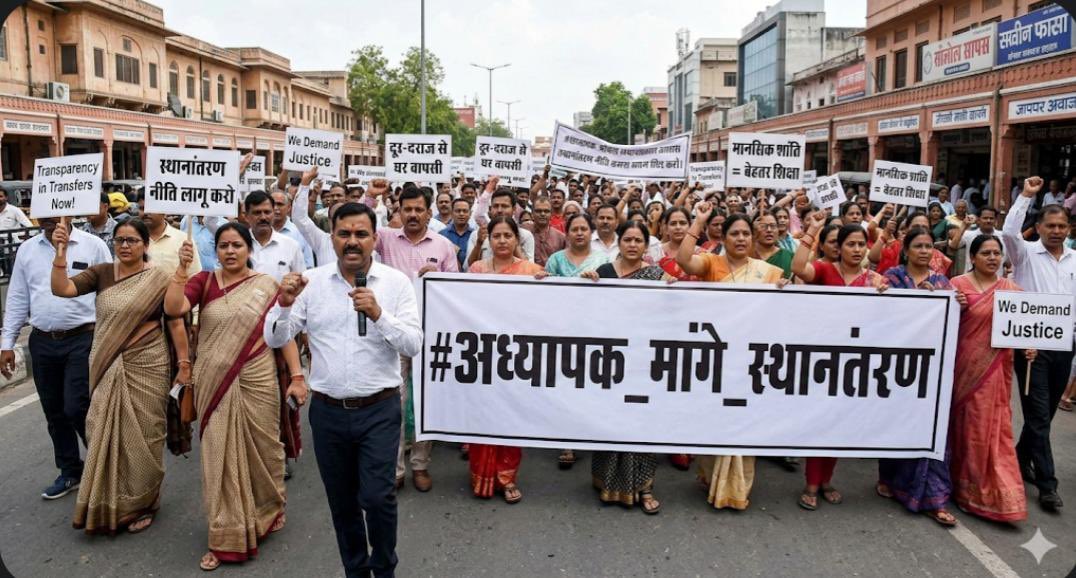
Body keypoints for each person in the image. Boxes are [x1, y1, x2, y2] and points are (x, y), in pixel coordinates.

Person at [265, 202, 420, 578]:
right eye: (344, 234)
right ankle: (356, 570)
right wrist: (283, 306)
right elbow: (274, 336)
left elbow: (414, 344)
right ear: (332, 237)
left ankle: (384, 568)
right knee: (343, 503)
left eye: (361, 234)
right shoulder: (311, 282)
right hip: (329, 411)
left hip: (379, 410)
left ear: (374, 239)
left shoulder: (396, 283)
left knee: (378, 498)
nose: (352, 242)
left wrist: (379, 315)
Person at [164, 222, 304, 571]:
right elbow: (173, 308)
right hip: (213, 380)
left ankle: (268, 510)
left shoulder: (265, 285)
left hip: (258, 378)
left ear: (248, 250)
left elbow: (282, 332)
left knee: (264, 447)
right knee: (218, 455)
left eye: (237, 245)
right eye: (223, 245)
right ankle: (224, 534)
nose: (230, 251)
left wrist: (298, 376)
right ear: (216, 249)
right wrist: (181, 269)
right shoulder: (204, 282)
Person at [50, 218, 188, 534]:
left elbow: (175, 316)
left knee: (144, 434)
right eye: (120, 240)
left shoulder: (159, 277)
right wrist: (60, 254)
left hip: (148, 365)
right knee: (100, 427)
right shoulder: (102, 274)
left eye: (132, 240)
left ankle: (144, 502)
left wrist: (184, 364)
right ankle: (107, 499)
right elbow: (63, 288)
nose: (125, 246)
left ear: (145, 244)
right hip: (107, 364)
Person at [676, 203, 785, 510]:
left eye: (745, 234)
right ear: (722, 237)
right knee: (715, 418)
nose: (740, 238)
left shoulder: (769, 273)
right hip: (716, 356)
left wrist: (784, 293)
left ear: (752, 238)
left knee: (743, 422)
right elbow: (683, 260)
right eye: (734, 233)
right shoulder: (711, 262)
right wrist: (698, 221)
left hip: (750, 359)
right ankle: (712, 476)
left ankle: (736, 486)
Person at [1, 217, 111, 499]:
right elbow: (17, 297)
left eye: (55, 211)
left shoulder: (93, 246)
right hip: (43, 341)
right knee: (54, 410)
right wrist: (7, 343)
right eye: (43, 211)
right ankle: (70, 471)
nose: (49, 217)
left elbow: (110, 294)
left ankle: (106, 464)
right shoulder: (26, 249)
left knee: (77, 406)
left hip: (83, 338)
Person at [792, 216, 888, 510]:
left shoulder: (873, 279)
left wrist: (886, 296)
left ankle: (827, 480)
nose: (858, 250)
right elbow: (797, 268)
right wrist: (811, 231)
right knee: (820, 420)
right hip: (822, 358)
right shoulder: (823, 269)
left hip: (853, 362)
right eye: (851, 244)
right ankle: (811, 482)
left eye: (862, 244)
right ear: (839, 248)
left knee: (838, 423)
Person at [575, 221, 665, 514]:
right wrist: (583, 282)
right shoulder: (603, 273)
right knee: (611, 420)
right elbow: (580, 308)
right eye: (627, 239)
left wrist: (676, 288)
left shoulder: (658, 275)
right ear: (620, 242)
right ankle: (608, 481)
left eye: (638, 240)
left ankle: (645, 487)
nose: (632, 245)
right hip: (611, 360)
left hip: (644, 361)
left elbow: (679, 304)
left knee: (642, 423)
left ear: (645, 245)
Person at [873, 225, 961, 526]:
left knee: (933, 429)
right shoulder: (892, 279)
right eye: (919, 246)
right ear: (906, 250)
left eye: (929, 247)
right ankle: (891, 480)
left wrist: (952, 304)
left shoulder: (942, 283)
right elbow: (880, 319)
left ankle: (935, 497)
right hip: (898, 368)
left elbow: (955, 322)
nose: (925, 251)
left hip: (932, 369)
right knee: (898, 423)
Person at [374, 185, 459, 493]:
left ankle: (420, 464)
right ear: (399, 211)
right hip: (393, 336)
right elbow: (361, 223)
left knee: (426, 402)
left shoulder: (444, 246)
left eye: (418, 209)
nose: (412, 214)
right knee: (393, 403)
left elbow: (457, 293)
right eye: (406, 209)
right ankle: (395, 468)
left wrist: (439, 279)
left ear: (429, 211)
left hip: (431, 336)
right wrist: (371, 197)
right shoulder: (384, 238)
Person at [1001, 176, 1075, 512]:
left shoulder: (1074, 261)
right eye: (1050, 225)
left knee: (1040, 416)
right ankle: (1047, 485)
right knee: (1040, 414)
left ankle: (1020, 457)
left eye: (1062, 225)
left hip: (1064, 346)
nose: (1056, 231)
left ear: (1069, 228)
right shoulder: (1026, 255)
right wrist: (1026, 197)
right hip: (1031, 348)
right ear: (1040, 227)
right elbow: (1008, 233)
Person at [948, 235, 1030, 522]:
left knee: (992, 430)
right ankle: (963, 487)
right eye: (986, 253)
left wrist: (1029, 346)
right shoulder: (956, 286)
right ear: (973, 257)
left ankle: (992, 491)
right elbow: (940, 323)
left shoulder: (1012, 290)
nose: (993, 258)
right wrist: (952, 306)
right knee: (966, 428)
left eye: (997, 253)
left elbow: (1024, 329)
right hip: (963, 369)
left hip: (996, 372)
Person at [466, 217, 542, 503]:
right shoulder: (476, 271)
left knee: (511, 417)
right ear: (488, 240)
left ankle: (507, 477)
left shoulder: (531, 271)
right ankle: (481, 475)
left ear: (516, 240)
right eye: (496, 236)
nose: (501, 241)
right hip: (483, 356)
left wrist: (546, 286)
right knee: (483, 416)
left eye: (507, 236)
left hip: (517, 358)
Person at [541, 212, 609, 469]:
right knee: (565, 384)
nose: (579, 233)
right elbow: (546, 295)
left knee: (591, 382)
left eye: (584, 229)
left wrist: (599, 281)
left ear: (591, 232)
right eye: (574, 229)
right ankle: (566, 441)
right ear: (566, 233)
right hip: (562, 329)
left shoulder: (604, 259)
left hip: (595, 331)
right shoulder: (555, 260)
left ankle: (590, 431)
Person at [244, 191, 306, 282]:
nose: (263, 217)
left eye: (267, 212)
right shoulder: (238, 245)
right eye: (257, 213)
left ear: (273, 213)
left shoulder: (291, 246)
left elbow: (301, 284)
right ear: (246, 216)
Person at [466, 188, 535, 265]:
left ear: (514, 209)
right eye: (495, 206)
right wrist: (479, 243)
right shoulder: (477, 235)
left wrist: (515, 242)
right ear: (490, 209)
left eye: (504, 206)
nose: (499, 210)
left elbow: (529, 269)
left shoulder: (525, 236)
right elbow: (469, 267)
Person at [139, 196, 201, 274]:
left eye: (151, 208)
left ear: (164, 212)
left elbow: (194, 275)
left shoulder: (184, 240)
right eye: (142, 208)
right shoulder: (131, 239)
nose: (146, 212)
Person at [292, 168, 338, 267]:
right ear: (329, 221)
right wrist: (305, 184)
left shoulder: (362, 244)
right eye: (335, 218)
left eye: (344, 217)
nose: (341, 221)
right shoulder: (322, 240)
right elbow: (299, 218)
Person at [271, 190, 315, 268]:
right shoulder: (261, 232)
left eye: (280, 204)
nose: (276, 208)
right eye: (272, 204)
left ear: (289, 207)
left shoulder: (301, 233)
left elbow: (309, 266)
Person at [655, 207, 698, 281]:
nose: (678, 227)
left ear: (690, 227)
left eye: (682, 223)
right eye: (673, 223)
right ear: (666, 229)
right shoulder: (655, 252)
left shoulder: (701, 254)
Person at [752, 210, 794, 278]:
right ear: (754, 230)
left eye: (773, 226)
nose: (769, 230)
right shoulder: (746, 256)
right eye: (763, 226)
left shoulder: (789, 256)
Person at [527, 196, 566, 267]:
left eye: (546, 211)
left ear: (551, 214)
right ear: (532, 214)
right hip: (527, 275)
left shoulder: (561, 237)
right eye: (538, 211)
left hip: (553, 276)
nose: (542, 214)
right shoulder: (524, 233)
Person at [440, 197, 475, 269]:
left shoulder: (475, 236)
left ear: (470, 213)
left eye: (465, 211)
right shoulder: (442, 235)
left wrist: (458, 252)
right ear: (452, 213)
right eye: (458, 211)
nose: (461, 214)